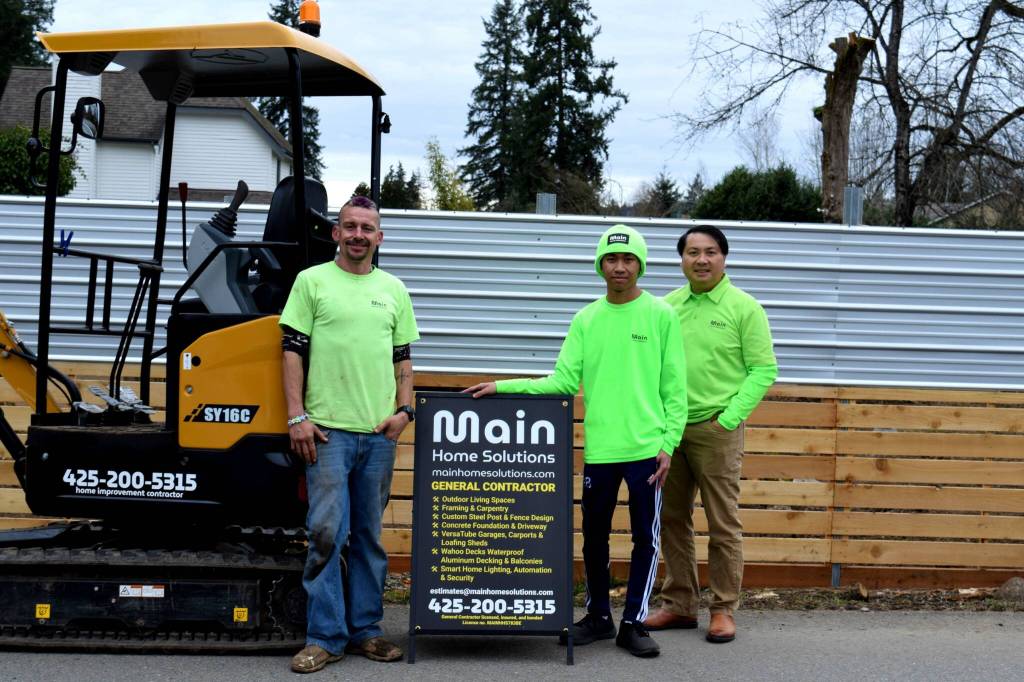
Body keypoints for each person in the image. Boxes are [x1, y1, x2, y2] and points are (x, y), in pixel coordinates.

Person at [465, 225, 686, 658]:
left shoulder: (661, 315)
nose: (619, 267)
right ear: (600, 265)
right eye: (611, 259)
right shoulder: (587, 318)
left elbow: (675, 390)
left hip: (647, 451)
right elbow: (562, 381)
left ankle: (634, 622)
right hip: (602, 449)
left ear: (640, 265)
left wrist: (668, 444)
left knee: (646, 537)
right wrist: (504, 387)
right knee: (593, 536)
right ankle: (600, 617)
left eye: (628, 260)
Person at [280, 195, 419, 674]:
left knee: (369, 539)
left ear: (379, 238)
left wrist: (405, 411)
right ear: (336, 233)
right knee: (325, 535)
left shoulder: (394, 290)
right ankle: (324, 637)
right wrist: (297, 416)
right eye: (350, 226)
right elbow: (292, 352)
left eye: (368, 228)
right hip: (327, 435)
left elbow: (403, 359)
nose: (359, 234)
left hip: (379, 436)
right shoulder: (312, 282)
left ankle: (366, 631)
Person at [644, 225, 777, 644]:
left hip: (717, 429)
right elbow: (651, 365)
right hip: (670, 430)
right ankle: (679, 605)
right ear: (681, 259)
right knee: (672, 519)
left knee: (723, 523)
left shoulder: (744, 308)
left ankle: (722, 610)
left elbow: (763, 369)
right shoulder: (665, 308)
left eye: (711, 252)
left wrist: (730, 417)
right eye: (693, 252)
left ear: (724, 257)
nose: (701, 259)